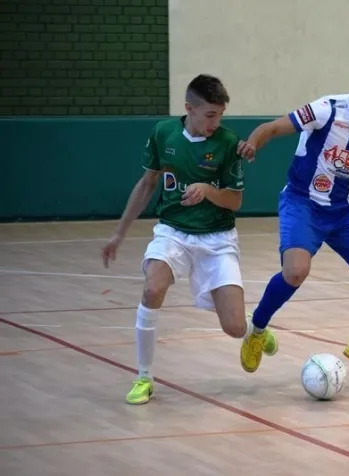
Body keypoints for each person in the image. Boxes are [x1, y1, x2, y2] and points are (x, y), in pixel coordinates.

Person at [101, 74, 275, 404]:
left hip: (217, 239)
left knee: (235, 328)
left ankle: (255, 330)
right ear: (189, 108)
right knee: (152, 288)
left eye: (220, 115)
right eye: (210, 115)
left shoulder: (228, 143)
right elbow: (147, 184)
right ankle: (144, 376)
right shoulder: (163, 133)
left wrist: (208, 190)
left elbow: (235, 201)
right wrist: (118, 233)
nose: (215, 122)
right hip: (173, 232)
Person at [236, 57, 349, 380]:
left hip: (343, 209)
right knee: (295, 272)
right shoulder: (326, 109)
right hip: (302, 202)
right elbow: (272, 128)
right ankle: (257, 329)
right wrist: (253, 144)